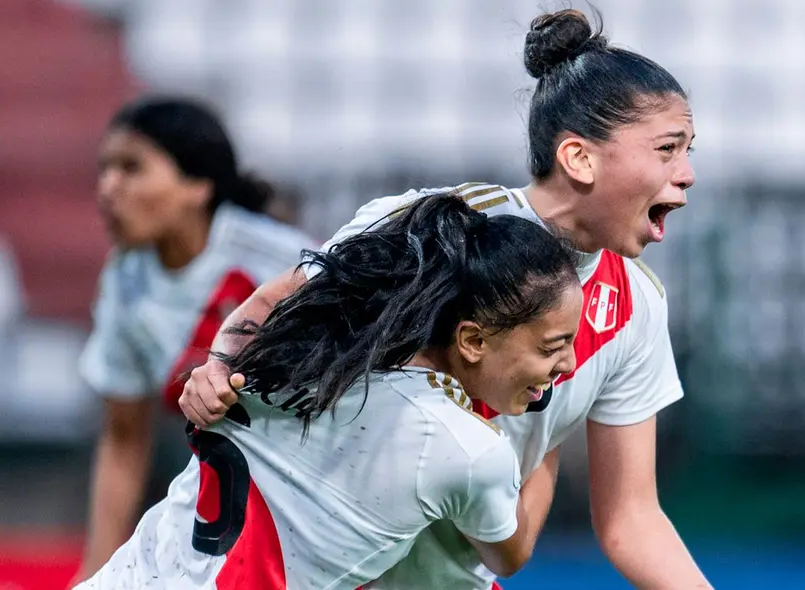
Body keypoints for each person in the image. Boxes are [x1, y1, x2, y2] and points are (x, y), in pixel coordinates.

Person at [181, 8, 712, 590]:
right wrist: (220, 365)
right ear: (579, 158)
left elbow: (631, 518)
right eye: (667, 149)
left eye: (687, 151)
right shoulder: (439, 227)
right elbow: (277, 303)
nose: (686, 173)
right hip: (310, 564)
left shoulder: (638, 309)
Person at [76, 192, 584, 589]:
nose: (569, 363)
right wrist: (551, 434)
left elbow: (263, 302)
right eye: (553, 346)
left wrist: (216, 361)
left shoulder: (306, 348)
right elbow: (508, 554)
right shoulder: (468, 451)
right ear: (471, 340)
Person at [73, 96, 316, 582]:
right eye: (105, 169)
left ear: (198, 185)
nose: (108, 188)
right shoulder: (125, 282)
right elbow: (124, 437)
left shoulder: (279, 261)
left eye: (131, 168)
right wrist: (93, 573)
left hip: (319, 499)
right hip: (229, 509)